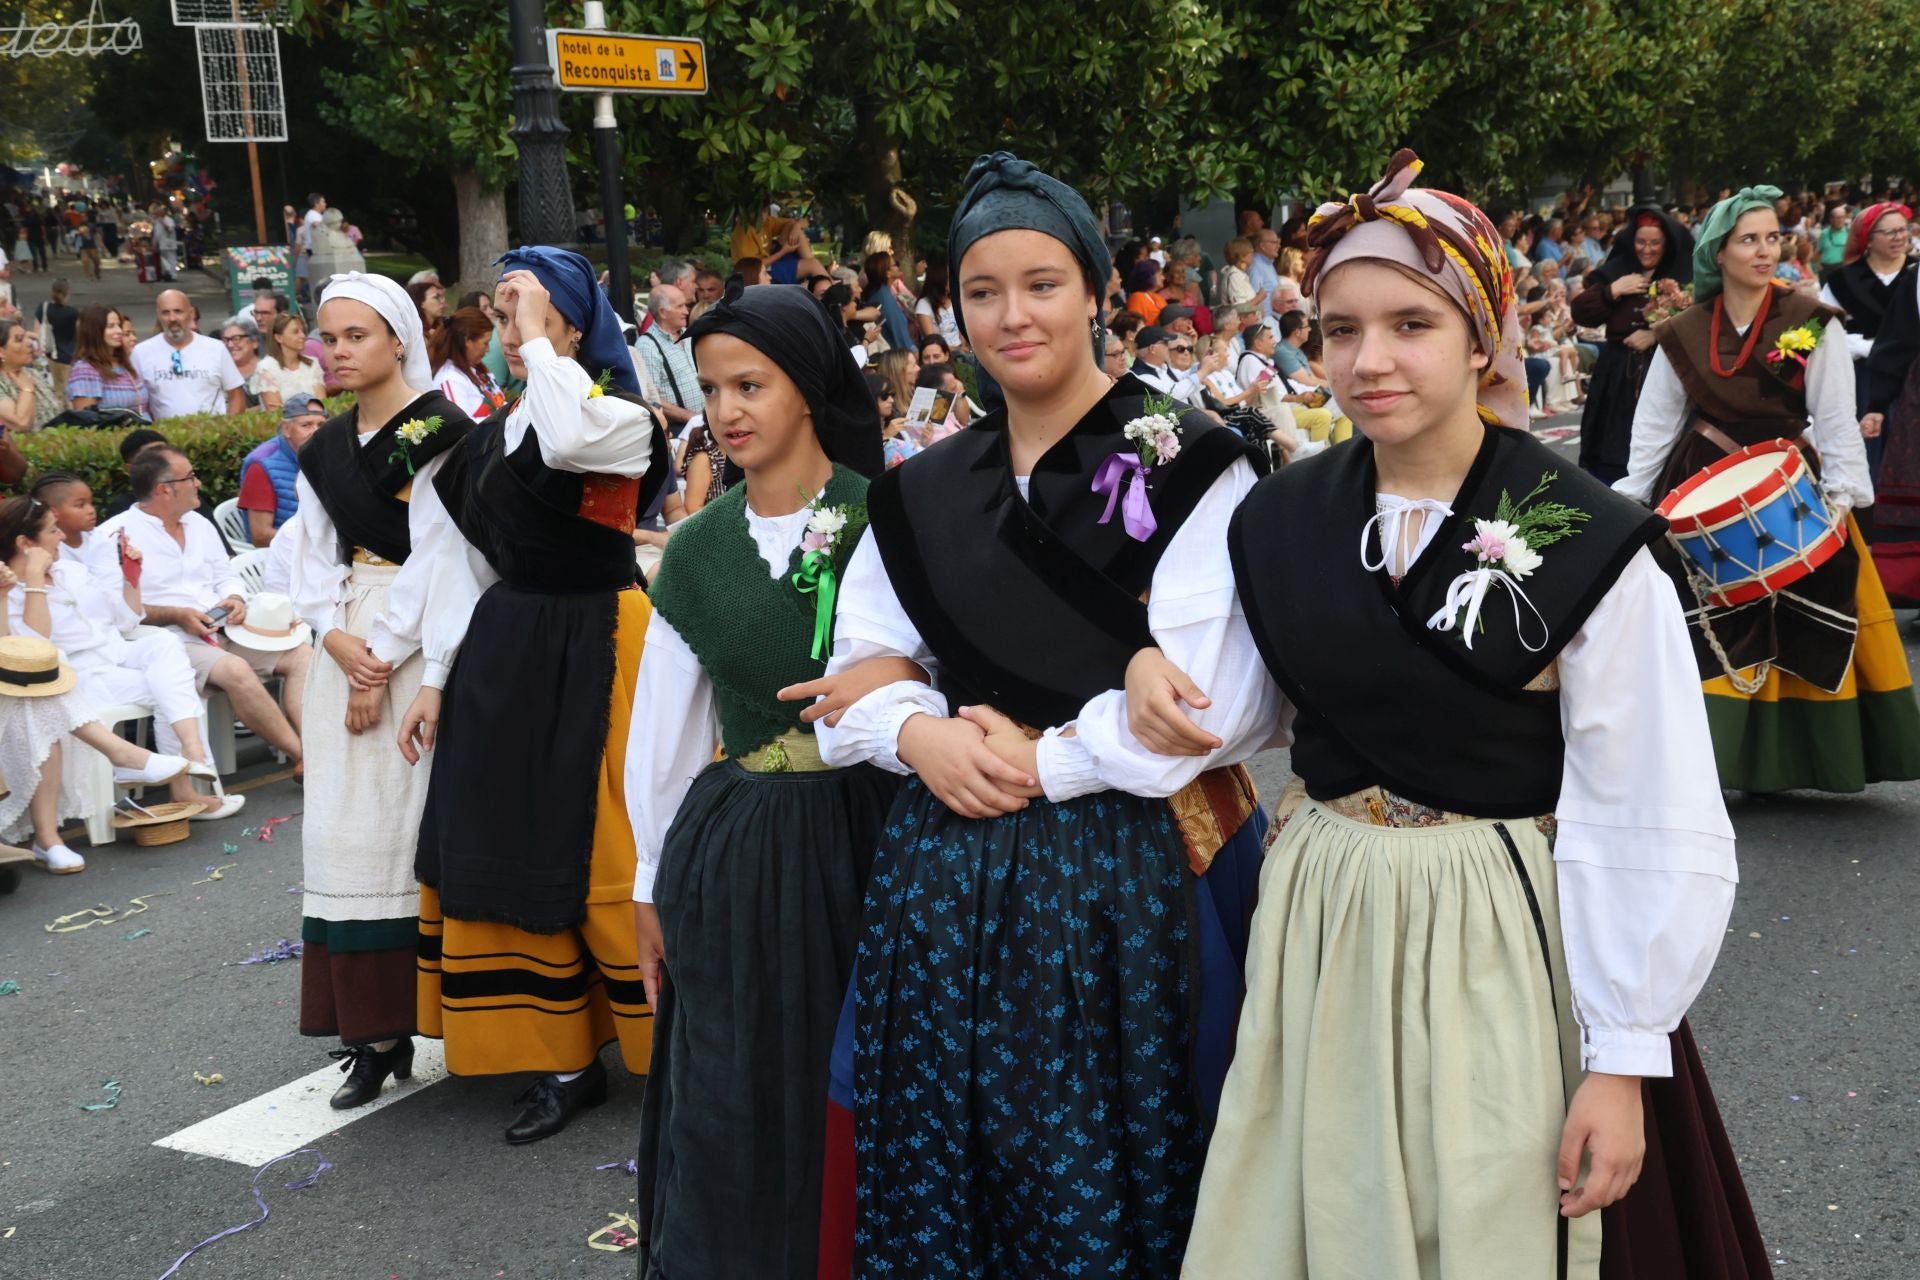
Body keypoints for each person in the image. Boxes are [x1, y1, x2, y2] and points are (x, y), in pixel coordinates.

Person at [1139, 149, 1764, 1280]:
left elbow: (1648, 809)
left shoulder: (1588, 542)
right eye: (1337, 329)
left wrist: (1621, 1062)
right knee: (1323, 1202)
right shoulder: (1280, 517)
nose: (1369, 359)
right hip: (1326, 913)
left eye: (1411, 323)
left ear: (1482, 335)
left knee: (1491, 1209)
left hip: (1500, 928)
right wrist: (1142, 671)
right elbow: (1229, 711)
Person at [811, 151, 1271, 1276]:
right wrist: (920, 733)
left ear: (1100, 291)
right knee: (951, 1159)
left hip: (1146, 869)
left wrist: (1041, 752)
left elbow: (1200, 718)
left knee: (1144, 1153)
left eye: (1043, 283)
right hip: (951, 869)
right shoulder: (922, 489)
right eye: (982, 291)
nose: (1012, 316)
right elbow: (852, 676)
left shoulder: (1190, 463)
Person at [626, 283, 896, 1279]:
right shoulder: (696, 549)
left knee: (870, 1061)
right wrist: (648, 879)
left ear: (812, 388)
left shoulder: (886, 518)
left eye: (752, 383)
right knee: (741, 1073)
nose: (727, 409)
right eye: (710, 388)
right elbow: (663, 731)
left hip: (878, 827)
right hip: (741, 845)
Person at [410, 246, 671, 1143]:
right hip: (509, 650)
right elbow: (460, 563)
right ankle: (560, 1057)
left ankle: (665, 1036)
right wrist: (437, 679)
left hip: (605, 639)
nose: (510, 324)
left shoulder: (621, 418)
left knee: (614, 839)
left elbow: (569, 438)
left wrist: (544, 341)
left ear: (572, 320)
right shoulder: (492, 434)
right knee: (508, 835)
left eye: (527, 306)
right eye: (502, 307)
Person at [1619, 185, 1920, 794]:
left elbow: (1834, 415)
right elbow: (1654, 424)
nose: (1765, 251)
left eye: (1773, 237)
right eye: (1748, 239)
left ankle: (1811, 756)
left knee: (1812, 612)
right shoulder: (1682, 331)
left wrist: (1842, 493)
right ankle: (1710, 764)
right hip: (1701, 484)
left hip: (1794, 484)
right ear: (1718, 253)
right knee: (1707, 620)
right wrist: (1638, 499)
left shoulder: (1811, 321)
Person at [287, 271, 475, 1108]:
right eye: (328, 338)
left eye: (355, 335)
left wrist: (387, 661)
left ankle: (437, 1017)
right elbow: (310, 556)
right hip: (347, 644)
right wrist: (335, 642)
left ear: (399, 336)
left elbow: (446, 557)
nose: (337, 352)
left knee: (409, 831)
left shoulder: (441, 431)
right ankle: (369, 1032)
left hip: (428, 642)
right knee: (342, 831)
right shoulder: (324, 449)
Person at [0, 490, 229, 819]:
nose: (62, 536)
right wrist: (35, 578)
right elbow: (37, 648)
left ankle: (189, 757)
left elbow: (126, 621)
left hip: (115, 655)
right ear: (26, 543)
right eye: (53, 530)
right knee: (174, 690)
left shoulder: (71, 573)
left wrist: (130, 579)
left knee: (166, 649)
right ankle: (185, 777)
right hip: (76, 677)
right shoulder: (11, 591)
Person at [91, 446, 309, 768]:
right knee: (235, 669)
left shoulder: (198, 523)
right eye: (191, 477)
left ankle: (312, 743)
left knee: (303, 655)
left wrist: (234, 598)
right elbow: (116, 611)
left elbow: (225, 574)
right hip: (168, 640)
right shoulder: (113, 535)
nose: (199, 484)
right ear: (165, 489)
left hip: (226, 627)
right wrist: (176, 615)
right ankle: (305, 757)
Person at [1571, 206, 1694, 483]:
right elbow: (1580, 313)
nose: (1647, 249)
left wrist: (1658, 335)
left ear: (1667, 244)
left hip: (1665, 369)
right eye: (1641, 242)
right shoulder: (1617, 271)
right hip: (1617, 373)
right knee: (1612, 446)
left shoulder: (1684, 274)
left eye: (1654, 243)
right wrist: (1613, 290)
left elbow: (1703, 319)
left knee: (1661, 445)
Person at [1819, 202, 1911, 423]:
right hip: (1862, 376)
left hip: (1911, 375)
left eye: (1902, 230)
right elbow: (1820, 329)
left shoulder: (1916, 274)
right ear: (1868, 239)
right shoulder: (1842, 280)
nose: (1899, 237)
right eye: (1889, 232)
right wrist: (1857, 346)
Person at [131, 291, 245, 420]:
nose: (172, 318)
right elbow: (137, 402)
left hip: (212, 435)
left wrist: (227, 430)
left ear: (191, 314)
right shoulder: (140, 353)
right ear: (158, 315)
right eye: (165, 312)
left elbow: (236, 395)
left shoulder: (216, 348)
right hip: (164, 436)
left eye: (178, 311)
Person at [238, 396, 326, 546]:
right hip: (282, 554)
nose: (316, 432)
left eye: (321, 425)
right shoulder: (260, 465)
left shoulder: (324, 452)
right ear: (286, 429)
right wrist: (315, 543)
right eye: (306, 425)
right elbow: (260, 536)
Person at [64, 305, 150, 421]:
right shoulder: (85, 370)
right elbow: (87, 421)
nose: (119, 331)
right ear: (93, 331)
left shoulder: (124, 364)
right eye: (110, 326)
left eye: (119, 325)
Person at [633, 285, 699, 429]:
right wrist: (692, 418)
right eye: (680, 306)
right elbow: (652, 398)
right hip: (680, 429)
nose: (686, 311)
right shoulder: (647, 346)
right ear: (663, 312)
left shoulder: (688, 335)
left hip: (703, 423)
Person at [428, 307, 508, 424]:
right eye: (485, 343)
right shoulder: (450, 379)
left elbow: (499, 403)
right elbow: (459, 427)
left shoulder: (477, 370)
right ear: (467, 341)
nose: (488, 349)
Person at [256, 313, 327, 412]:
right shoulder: (266, 368)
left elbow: (322, 403)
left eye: (303, 331)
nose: (302, 335)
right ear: (278, 338)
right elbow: (274, 411)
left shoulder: (312, 364)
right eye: (295, 332)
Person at [0, 316, 59, 431]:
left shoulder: (34, 374)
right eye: (19, 339)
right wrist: (26, 388)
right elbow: (21, 424)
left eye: (27, 337)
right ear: (1, 352)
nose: (30, 343)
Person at [33, 278, 78, 395]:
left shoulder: (43, 308)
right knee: (71, 393)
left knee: (55, 392)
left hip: (48, 357)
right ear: (67, 294)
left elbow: (35, 332)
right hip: (68, 357)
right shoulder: (73, 313)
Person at [912, 261, 962, 348]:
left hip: (960, 349)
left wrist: (963, 346)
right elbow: (931, 340)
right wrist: (956, 350)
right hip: (940, 353)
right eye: (949, 277)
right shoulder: (923, 305)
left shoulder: (954, 300)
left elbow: (962, 329)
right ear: (939, 280)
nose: (954, 281)